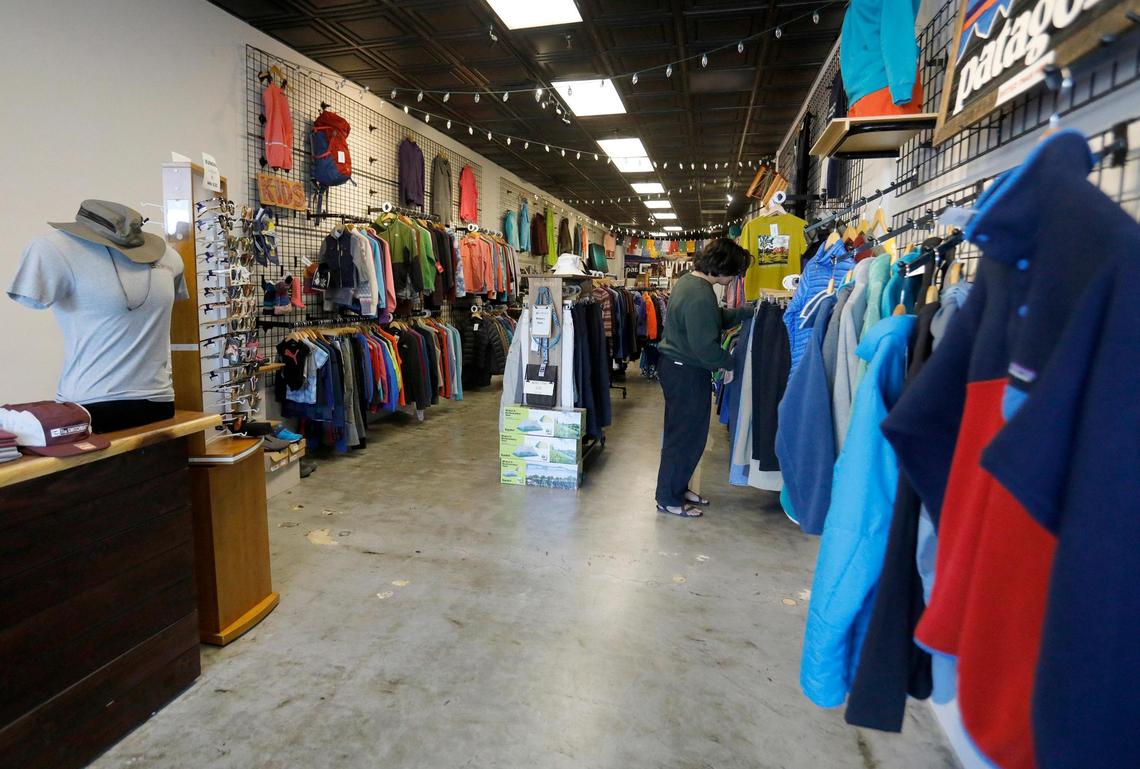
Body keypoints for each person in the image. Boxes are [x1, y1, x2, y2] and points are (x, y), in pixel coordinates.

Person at [655, 238, 752, 517]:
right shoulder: (700, 294)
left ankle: (676, 488)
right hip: (685, 370)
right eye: (735, 272)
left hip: (679, 367)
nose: (735, 278)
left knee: (686, 435)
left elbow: (710, 320)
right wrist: (731, 362)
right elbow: (705, 347)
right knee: (685, 437)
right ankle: (668, 498)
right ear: (721, 268)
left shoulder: (691, 283)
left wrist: (742, 313)